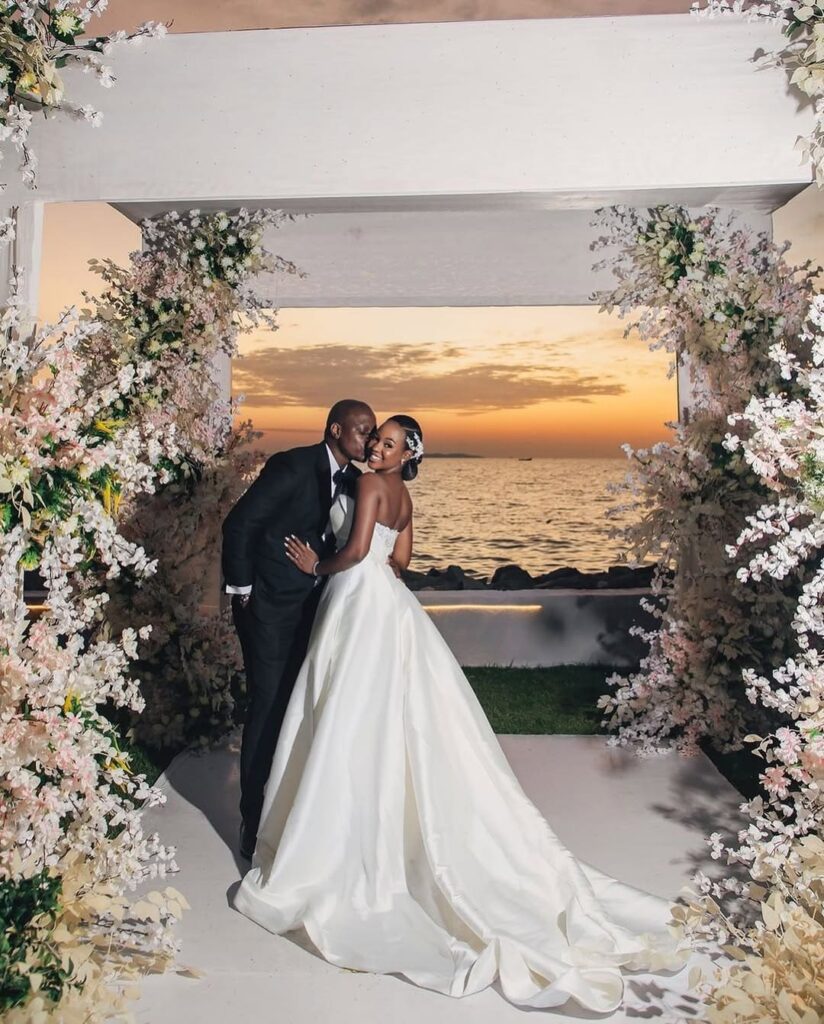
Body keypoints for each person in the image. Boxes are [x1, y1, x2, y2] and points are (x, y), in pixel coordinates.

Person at [233, 415, 689, 1012]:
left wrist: (312, 567)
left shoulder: (370, 487)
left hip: (354, 603)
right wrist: (366, 565)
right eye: (376, 439)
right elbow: (399, 565)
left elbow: (350, 554)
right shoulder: (406, 496)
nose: (377, 446)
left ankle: (331, 836)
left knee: (343, 711)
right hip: (389, 606)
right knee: (381, 713)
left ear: (404, 453)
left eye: (389, 441)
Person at [221, 399, 376, 860]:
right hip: (267, 607)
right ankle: (252, 818)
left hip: (316, 609)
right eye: (361, 430)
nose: (368, 438)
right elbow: (240, 523)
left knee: (301, 707)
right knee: (268, 707)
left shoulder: (358, 482)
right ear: (335, 430)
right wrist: (243, 588)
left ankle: (291, 813)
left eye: (373, 432)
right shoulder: (292, 466)